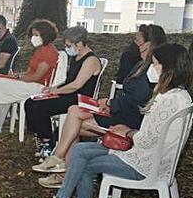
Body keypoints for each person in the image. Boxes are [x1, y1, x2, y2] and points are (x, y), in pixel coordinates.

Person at [28, 43, 192, 198]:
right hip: (151, 160)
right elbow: (154, 136)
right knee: (81, 150)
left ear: (169, 68)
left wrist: (127, 133)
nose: (150, 68)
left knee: (85, 163)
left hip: (143, 164)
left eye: (155, 64)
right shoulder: (180, 96)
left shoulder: (166, 100)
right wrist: (129, 131)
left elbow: (146, 141)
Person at [32, 25, 166, 187]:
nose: (135, 42)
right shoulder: (140, 65)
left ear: (148, 44)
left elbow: (138, 100)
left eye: (138, 39)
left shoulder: (151, 72)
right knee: (73, 115)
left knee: (73, 120)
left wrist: (110, 103)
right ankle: (62, 169)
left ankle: (61, 165)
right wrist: (109, 103)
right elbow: (128, 95)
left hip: (128, 119)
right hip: (121, 110)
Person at [0, 19, 60, 140]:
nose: (33, 38)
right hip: (29, 82)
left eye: (36, 35)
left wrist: (18, 77)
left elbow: (37, 77)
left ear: (45, 35)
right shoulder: (40, 49)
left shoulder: (49, 52)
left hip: (38, 87)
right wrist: (15, 75)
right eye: (32, 35)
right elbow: (29, 72)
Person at [23, 26, 102, 156]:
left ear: (80, 43)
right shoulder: (75, 56)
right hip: (69, 94)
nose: (67, 48)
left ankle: (48, 142)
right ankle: (42, 137)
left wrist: (57, 92)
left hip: (78, 99)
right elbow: (69, 81)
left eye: (68, 45)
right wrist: (53, 88)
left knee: (40, 107)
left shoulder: (91, 60)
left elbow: (76, 85)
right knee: (30, 101)